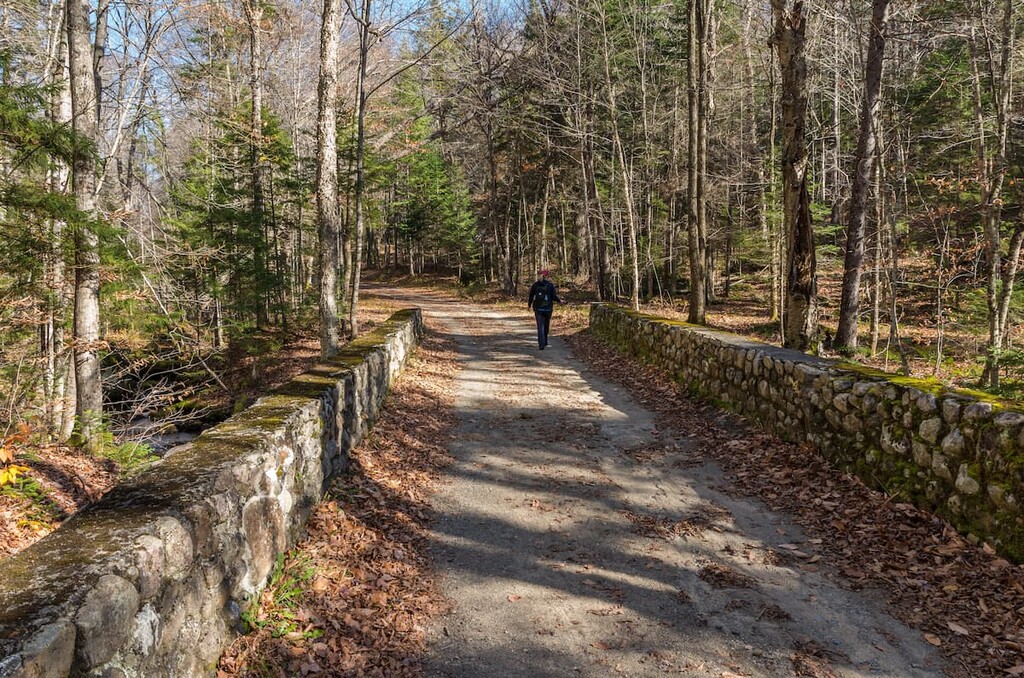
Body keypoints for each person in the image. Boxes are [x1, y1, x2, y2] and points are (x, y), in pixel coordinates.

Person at [527, 269, 563, 350]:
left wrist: (529, 305)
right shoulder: (550, 285)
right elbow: (553, 296)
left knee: (540, 326)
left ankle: (541, 344)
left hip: (538, 308)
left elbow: (531, 296)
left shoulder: (535, 285)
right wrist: (560, 301)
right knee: (546, 326)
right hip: (548, 308)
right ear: (547, 276)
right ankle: (545, 341)